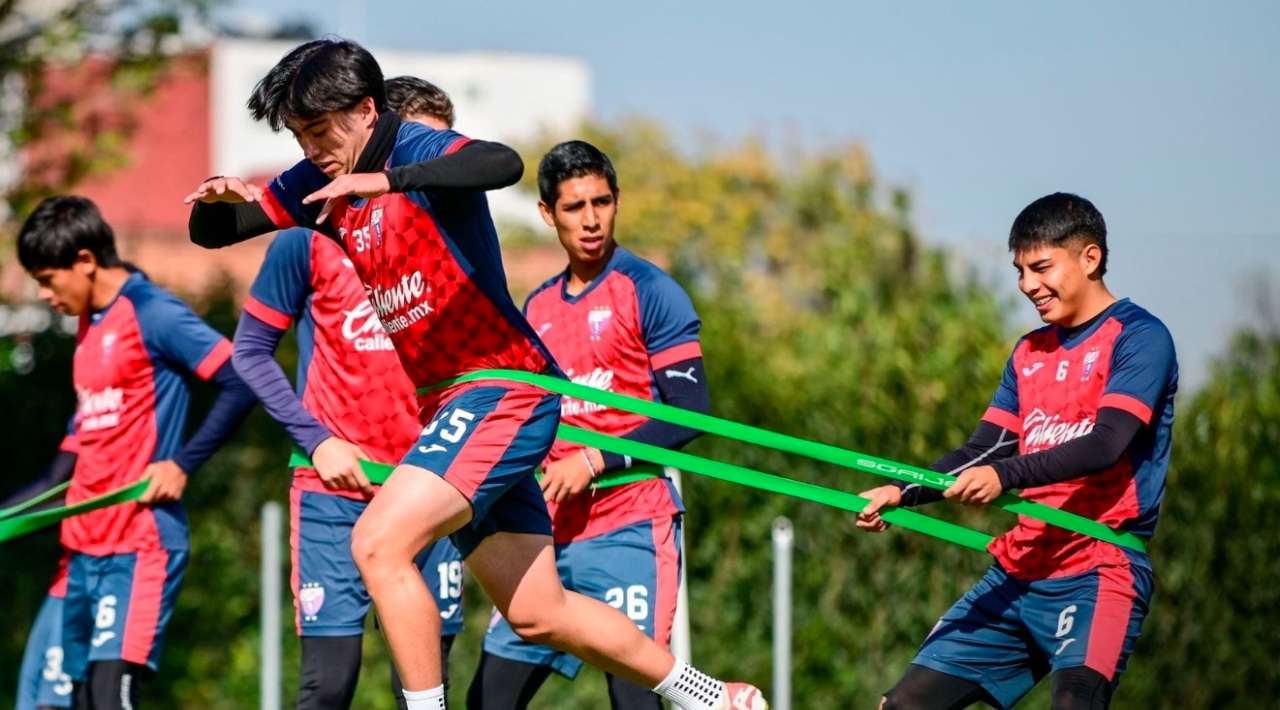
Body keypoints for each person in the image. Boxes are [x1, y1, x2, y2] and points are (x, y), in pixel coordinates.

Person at [185, 37, 765, 710]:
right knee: (538, 611)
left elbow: (503, 162)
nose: (310, 148)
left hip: (502, 390)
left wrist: (388, 180)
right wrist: (215, 200)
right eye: (299, 135)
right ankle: (712, 695)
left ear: (367, 110)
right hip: (456, 408)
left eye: (319, 131)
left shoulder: (413, 149)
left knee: (378, 541)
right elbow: (215, 234)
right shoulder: (322, 177)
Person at [856, 193, 1177, 710]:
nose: (1028, 285)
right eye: (1020, 271)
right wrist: (903, 490)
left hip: (1099, 568)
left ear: (1090, 258)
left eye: (1041, 267)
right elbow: (983, 449)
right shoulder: (1029, 352)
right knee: (901, 706)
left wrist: (1004, 476)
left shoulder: (1139, 338)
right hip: (1020, 569)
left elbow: (1107, 444)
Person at [230, 75, 467, 710]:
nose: (430, 172)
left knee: (426, 680)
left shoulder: (457, 241)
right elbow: (247, 352)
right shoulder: (310, 234)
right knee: (327, 684)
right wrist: (316, 441)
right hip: (333, 491)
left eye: (439, 157)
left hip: (432, 483)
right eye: (416, 153)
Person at [469, 140, 706, 709]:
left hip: (630, 526)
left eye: (602, 202)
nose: (592, 219)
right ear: (548, 214)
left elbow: (690, 412)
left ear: (617, 201)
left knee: (634, 699)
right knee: (488, 699)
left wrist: (597, 458)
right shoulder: (536, 307)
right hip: (547, 536)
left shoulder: (650, 290)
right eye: (575, 207)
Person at [17, 196, 257, 708]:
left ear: (84, 261)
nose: (43, 294)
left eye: (47, 279)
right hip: (83, 551)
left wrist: (183, 463)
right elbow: (65, 465)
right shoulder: (89, 325)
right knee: (78, 701)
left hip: (139, 544)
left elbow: (241, 380)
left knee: (110, 696)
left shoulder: (152, 313)